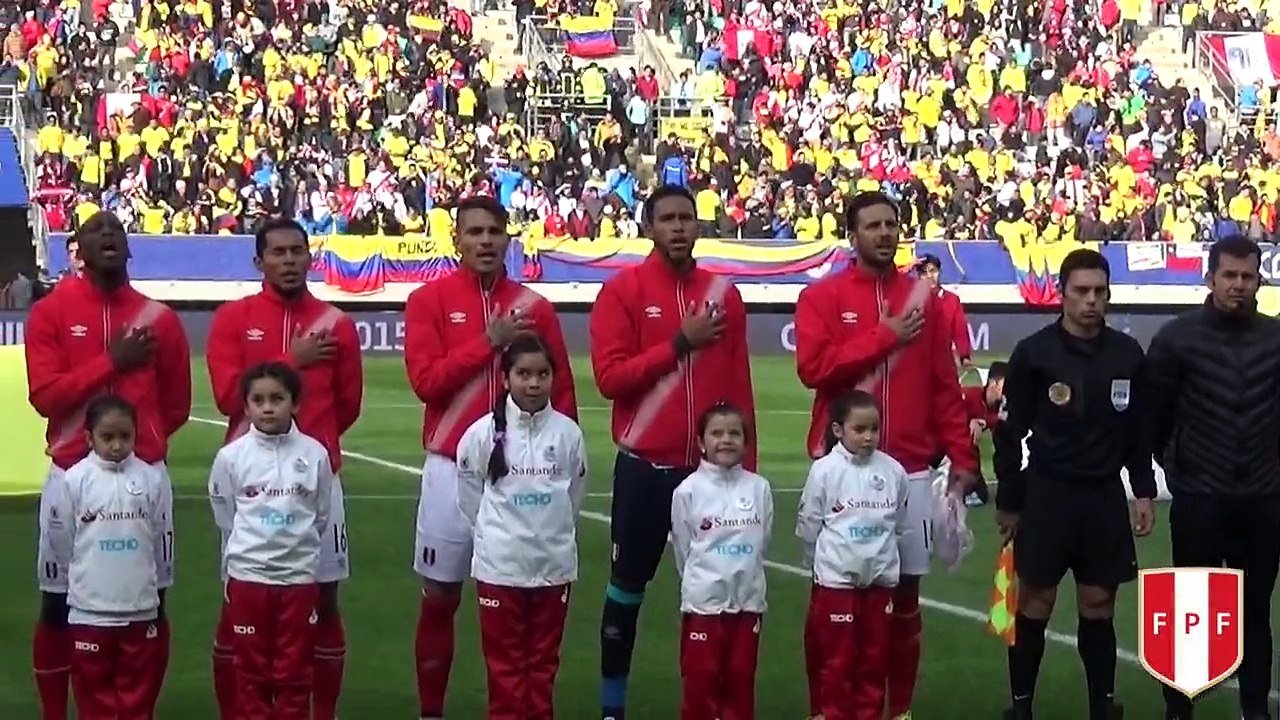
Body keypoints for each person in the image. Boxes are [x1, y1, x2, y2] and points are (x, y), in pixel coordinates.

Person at [794, 190, 977, 720]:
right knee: (831, 599)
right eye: (871, 225)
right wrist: (883, 337)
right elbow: (814, 369)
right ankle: (826, 708)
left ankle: (897, 710)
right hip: (843, 471)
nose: (883, 233)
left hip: (913, 470)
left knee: (905, 598)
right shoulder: (821, 298)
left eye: (890, 224)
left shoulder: (926, 300)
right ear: (852, 234)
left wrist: (963, 458)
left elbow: (944, 387)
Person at [404, 195, 578, 720]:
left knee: (525, 599)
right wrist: (486, 343)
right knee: (440, 594)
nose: (485, 241)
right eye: (474, 232)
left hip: (524, 476)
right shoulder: (428, 301)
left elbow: (561, 393)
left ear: (508, 238)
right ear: (456, 239)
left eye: (494, 232)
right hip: (450, 469)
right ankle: (431, 711)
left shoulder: (534, 308)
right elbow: (426, 382)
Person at [589, 184, 757, 720]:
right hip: (645, 469)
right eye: (668, 219)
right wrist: (678, 343)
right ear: (649, 227)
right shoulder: (622, 292)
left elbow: (739, 383)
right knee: (626, 591)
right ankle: (612, 707)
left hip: (711, 478)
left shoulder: (724, 295)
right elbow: (610, 379)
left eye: (687, 218)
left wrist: (747, 470)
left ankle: (712, 706)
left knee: (719, 598)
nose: (680, 227)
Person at [27, 211, 191, 720]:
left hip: (145, 478)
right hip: (71, 476)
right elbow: (45, 397)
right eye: (95, 230)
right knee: (57, 602)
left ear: (129, 246)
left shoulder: (160, 319)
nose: (107, 236)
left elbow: (177, 405)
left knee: (152, 601)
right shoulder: (51, 313)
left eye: (116, 230)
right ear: (76, 249)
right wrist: (111, 363)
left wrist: (144, 445)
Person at [205, 217, 363, 720]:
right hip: (250, 484)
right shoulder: (234, 318)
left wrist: (313, 448)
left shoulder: (336, 323)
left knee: (324, 599)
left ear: (310, 257)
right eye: (278, 252)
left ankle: (323, 712)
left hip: (315, 481)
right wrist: (291, 360)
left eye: (298, 251)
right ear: (260, 261)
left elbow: (348, 404)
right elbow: (226, 397)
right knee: (239, 605)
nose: (290, 260)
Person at [992, 248, 1155, 720]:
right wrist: (1010, 499)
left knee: (1099, 603)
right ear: (1061, 293)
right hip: (1048, 493)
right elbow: (1009, 431)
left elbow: (1138, 432)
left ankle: (1102, 706)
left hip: (1103, 496)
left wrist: (1142, 489)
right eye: (1081, 291)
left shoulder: (1127, 354)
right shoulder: (1034, 353)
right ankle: (1021, 706)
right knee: (1035, 600)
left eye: (1100, 291)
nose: (1091, 300)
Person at [1143, 236, 1280, 720]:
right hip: (1200, 498)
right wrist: (1180, 468)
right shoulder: (1176, 339)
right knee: (1191, 611)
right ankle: (1179, 709)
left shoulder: (1275, 338)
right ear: (1210, 278)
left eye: (1247, 277)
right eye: (1229, 275)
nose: (1238, 285)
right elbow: (1154, 417)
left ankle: (1254, 710)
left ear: (1259, 281)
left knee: (1255, 612)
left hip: (1263, 499)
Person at [456, 334, 588, 720]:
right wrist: (497, 538)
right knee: (505, 668)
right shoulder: (481, 434)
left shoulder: (568, 434)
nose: (533, 383)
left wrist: (551, 535)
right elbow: (470, 499)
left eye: (542, 374)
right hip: (500, 569)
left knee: (543, 665)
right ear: (505, 379)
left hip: (553, 568)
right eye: (524, 374)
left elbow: (574, 496)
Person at [208, 361, 334, 720]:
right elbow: (226, 514)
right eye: (258, 400)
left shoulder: (314, 454)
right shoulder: (231, 457)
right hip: (249, 578)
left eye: (277, 399)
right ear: (246, 406)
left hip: (297, 580)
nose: (267, 408)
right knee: (250, 671)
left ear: (295, 403)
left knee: (294, 671)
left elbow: (320, 513)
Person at [41, 395, 173, 720]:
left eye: (125, 436)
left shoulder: (151, 479)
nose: (116, 445)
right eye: (107, 437)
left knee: (137, 699)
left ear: (136, 434)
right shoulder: (74, 480)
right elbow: (62, 542)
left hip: (139, 610)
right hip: (89, 613)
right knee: (94, 700)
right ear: (89, 438)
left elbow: (158, 536)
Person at [795, 391, 910, 720]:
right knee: (837, 660)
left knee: (874, 661)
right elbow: (809, 524)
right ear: (838, 429)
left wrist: (885, 563)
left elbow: (898, 523)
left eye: (874, 428)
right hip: (836, 583)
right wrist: (818, 567)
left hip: (880, 583)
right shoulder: (824, 471)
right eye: (859, 429)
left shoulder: (893, 471)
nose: (868, 437)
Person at [670, 403, 773, 720]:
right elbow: (684, 548)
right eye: (716, 433)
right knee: (701, 684)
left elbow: (763, 541)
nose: (726, 440)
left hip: (747, 603)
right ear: (701, 442)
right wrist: (703, 583)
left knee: (740, 681)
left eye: (734, 433)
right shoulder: (688, 491)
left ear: (746, 441)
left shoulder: (759, 488)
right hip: (705, 606)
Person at [959, 360, 1008, 506]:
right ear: (994, 383)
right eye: (1006, 384)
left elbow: (1005, 419)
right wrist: (968, 422)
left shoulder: (1002, 405)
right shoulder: (970, 396)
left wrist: (983, 422)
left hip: (970, 455)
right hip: (952, 451)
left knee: (981, 497)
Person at [916, 253, 973, 368]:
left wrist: (964, 355)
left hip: (944, 358)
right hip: (918, 358)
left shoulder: (952, 300)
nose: (929, 276)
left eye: (933, 271)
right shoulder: (913, 300)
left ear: (939, 272)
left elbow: (960, 329)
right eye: (924, 273)